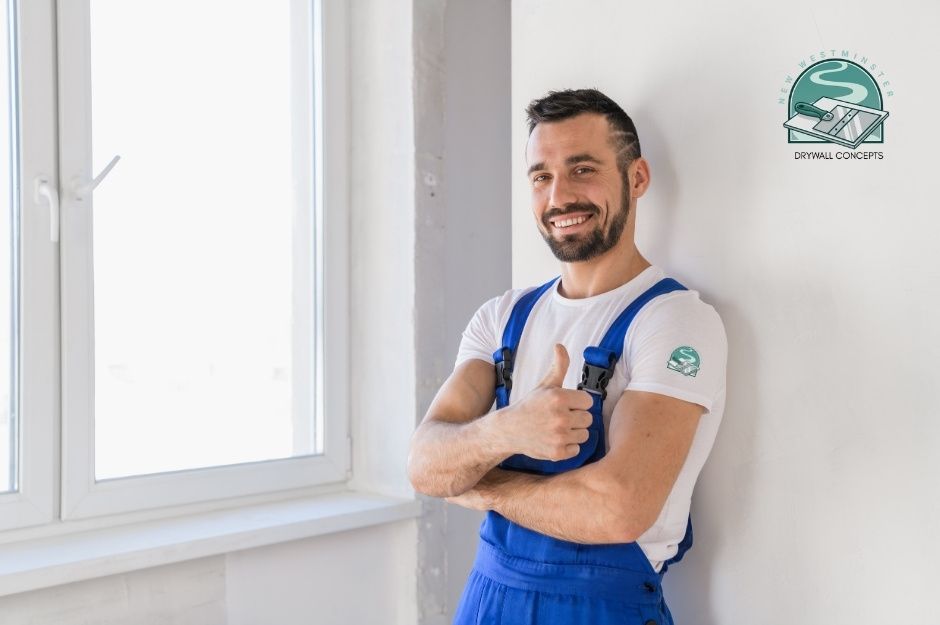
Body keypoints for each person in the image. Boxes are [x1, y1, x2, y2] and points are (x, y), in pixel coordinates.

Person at [407, 88, 727, 625]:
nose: (559, 197)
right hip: (485, 600)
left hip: (601, 609)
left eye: (583, 169)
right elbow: (423, 466)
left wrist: (481, 481)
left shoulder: (673, 320)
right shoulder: (502, 316)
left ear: (637, 178)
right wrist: (507, 431)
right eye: (541, 176)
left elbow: (619, 507)